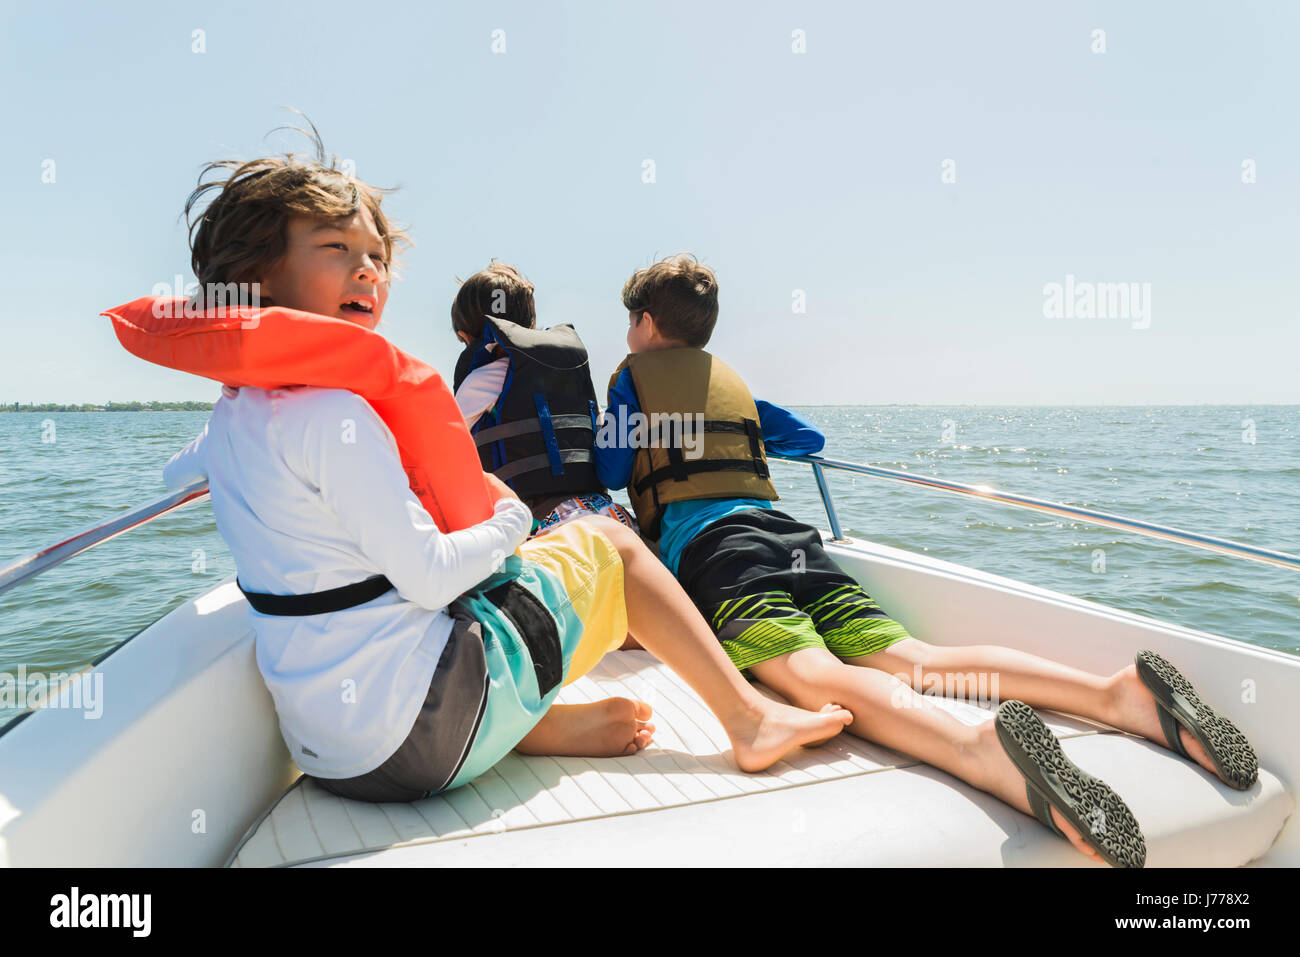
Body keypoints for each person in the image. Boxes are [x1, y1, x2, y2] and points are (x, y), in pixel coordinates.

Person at [137, 133, 853, 805]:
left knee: (434, 591)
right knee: (615, 546)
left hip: (333, 754)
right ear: (255, 274)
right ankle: (749, 719)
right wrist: (511, 519)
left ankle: (534, 726)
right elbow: (429, 574)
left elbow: (184, 473)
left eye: (376, 256)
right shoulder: (336, 417)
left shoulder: (234, 417)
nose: (367, 269)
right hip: (424, 732)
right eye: (335, 247)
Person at [595, 253, 1260, 867]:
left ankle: (975, 749)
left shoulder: (632, 381)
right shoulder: (732, 385)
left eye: (631, 321)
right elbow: (808, 437)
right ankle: (1116, 695)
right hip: (791, 539)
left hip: (722, 554)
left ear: (647, 322)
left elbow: (612, 466)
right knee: (915, 657)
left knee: (810, 671)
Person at [451, 261, 636, 537]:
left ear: (466, 336)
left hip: (545, 524)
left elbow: (437, 446)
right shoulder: (570, 373)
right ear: (530, 325)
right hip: (607, 513)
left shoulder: (484, 379)